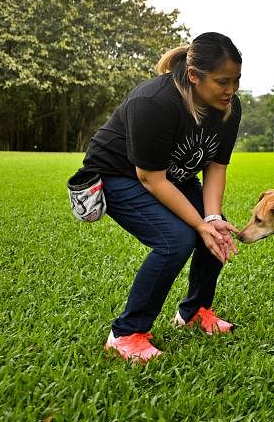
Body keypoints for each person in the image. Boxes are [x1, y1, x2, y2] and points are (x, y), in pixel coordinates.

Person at [79, 32, 243, 362]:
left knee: (217, 228)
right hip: (119, 175)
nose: (231, 91)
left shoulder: (228, 108)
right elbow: (149, 178)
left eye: (237, 81)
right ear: (194, 76)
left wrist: (210, 219)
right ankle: (125, 333)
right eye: (223, 82)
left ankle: (194, 312)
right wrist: (198, 224)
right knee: (175, 240)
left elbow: (215, 166)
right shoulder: (154, 102)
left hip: (171, 175)